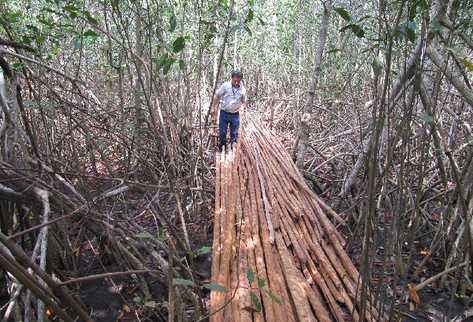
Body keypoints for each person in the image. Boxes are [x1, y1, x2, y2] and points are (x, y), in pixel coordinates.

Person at [212, 70, 247, 151]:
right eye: (235, 81)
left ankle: (233, 150)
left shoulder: (243, 90)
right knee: (222, 132)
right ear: (231, 78)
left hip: (235, 114)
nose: (237, 83)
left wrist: (242, 108)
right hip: (224, 113)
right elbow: (217, 96)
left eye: (238, 81)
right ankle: (222, 148)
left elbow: (244, 101)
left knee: (234, 134)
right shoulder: (225, 86)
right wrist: (214, 108)